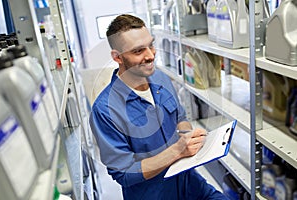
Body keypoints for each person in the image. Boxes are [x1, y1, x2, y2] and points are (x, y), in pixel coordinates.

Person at [89, 14, 228, 200]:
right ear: (118, 57)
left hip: (189, 182)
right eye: (138, 51)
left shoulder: (160, 78)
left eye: (151, 45)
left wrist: (189, 137)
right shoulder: (105, 110)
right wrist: (178, 150)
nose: (151, 55)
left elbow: (180, 118)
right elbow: (124, 173)